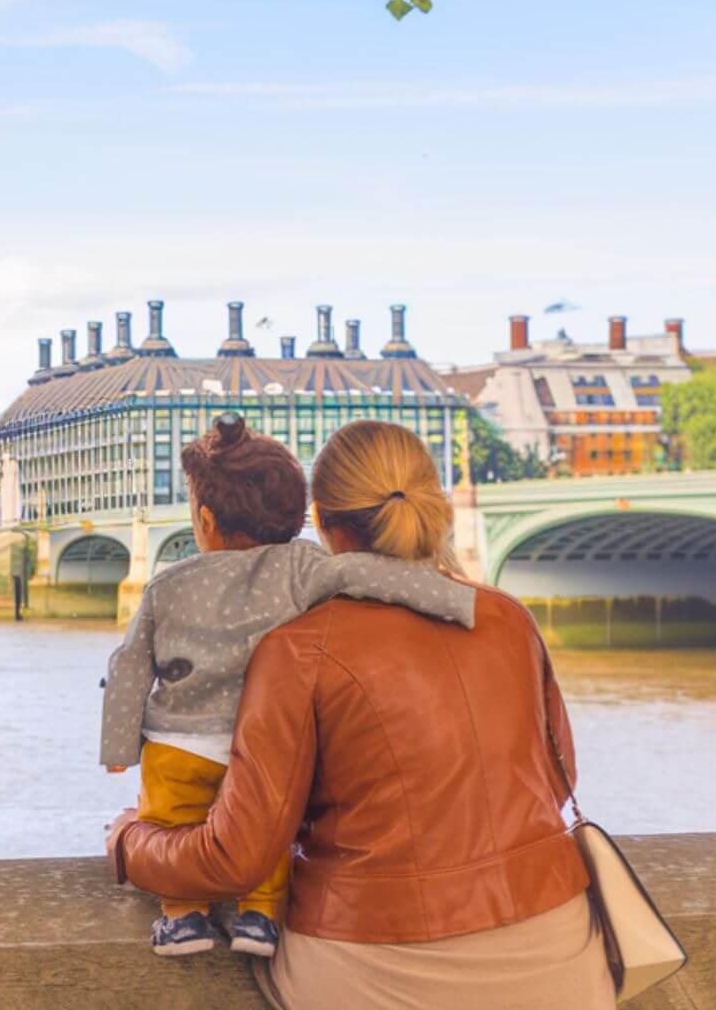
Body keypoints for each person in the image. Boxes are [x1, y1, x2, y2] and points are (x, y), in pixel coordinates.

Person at [107, 419, 614, 1009]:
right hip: (560, 960)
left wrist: (130, 841)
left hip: (377, 966)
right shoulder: (505, 618)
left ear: (320, 520)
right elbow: (556, 780)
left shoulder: (297, 648)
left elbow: (232, 858)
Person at [100, 413, 474, 959]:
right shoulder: (304, 567)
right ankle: (259, 917)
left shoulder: (168, 586)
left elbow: (129, 667)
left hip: (177, 746)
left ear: (204, 519)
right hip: (263, 746)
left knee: (169, 821)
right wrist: (462, 600)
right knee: (271, 827)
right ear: (300, 516)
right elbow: (373, 577)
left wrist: (118, 749)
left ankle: (183, 921)